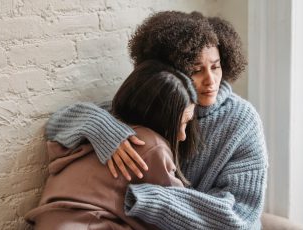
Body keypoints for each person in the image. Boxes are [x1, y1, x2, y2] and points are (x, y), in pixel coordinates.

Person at [45, 11, 268, 229]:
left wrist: (150, 199)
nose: (211, 80)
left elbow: (240, 217)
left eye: (216, 66)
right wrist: (102, 129)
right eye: (196, 70)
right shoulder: (157, 102)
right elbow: (56, 124)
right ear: (172, 71)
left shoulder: (242, 121)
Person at [25, 60, 198, 230]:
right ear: (159, 118)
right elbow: (179, 212)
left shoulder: (96, 126)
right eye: (180, 124)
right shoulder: (151, 144)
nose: (182, 136)